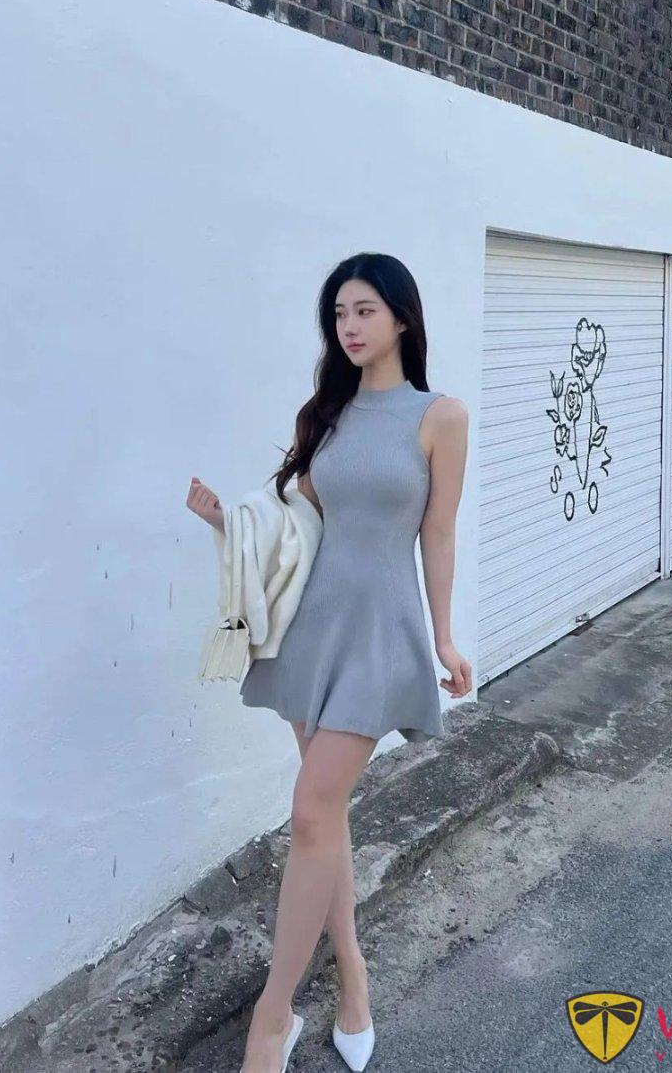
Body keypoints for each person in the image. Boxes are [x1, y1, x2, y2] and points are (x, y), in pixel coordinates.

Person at [186, 251, 471, 1072]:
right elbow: (292, 521)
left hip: (379, 633)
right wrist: (224, 523)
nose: (348, 326)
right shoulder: (329, 412)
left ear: (402, 318)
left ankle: (271, 1016)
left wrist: (444, 636)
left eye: (363, 310)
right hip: (311, 632)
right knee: (325, 819)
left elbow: (438, 532)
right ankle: (351, 974)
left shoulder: (439, 415)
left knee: (312, 810)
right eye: (339, 313)